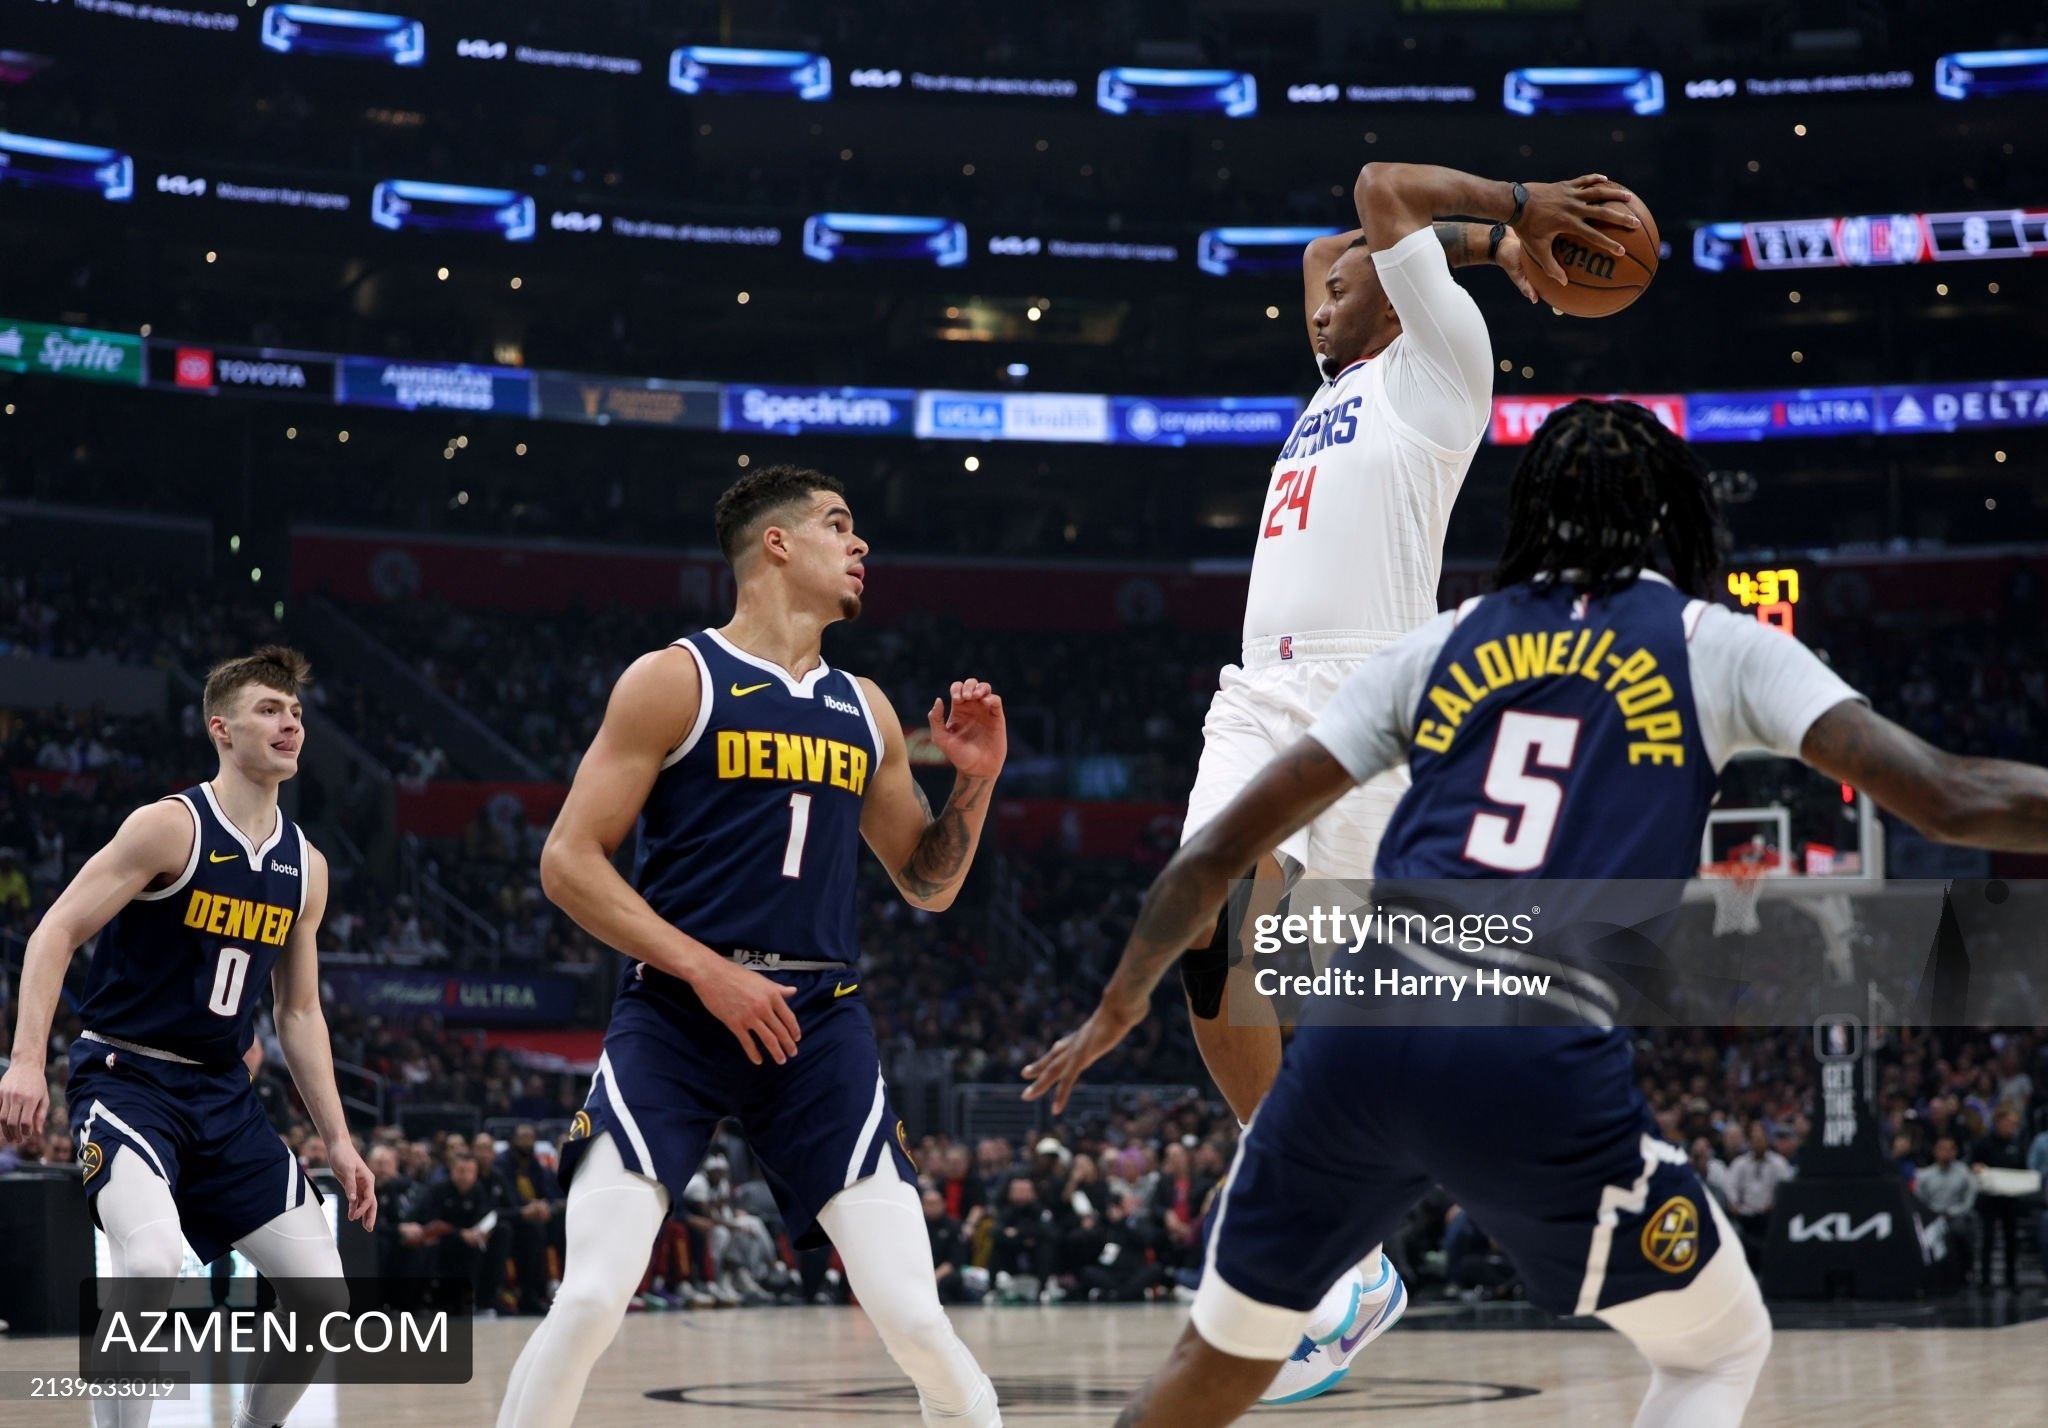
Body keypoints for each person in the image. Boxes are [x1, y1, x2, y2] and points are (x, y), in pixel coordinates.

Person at [1024, 398, 2048, 1428]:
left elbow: (1208, 858)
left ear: (1526, 516)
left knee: (1203, 1380)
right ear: (1668, 517)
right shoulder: (1715, 644)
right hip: (1526, 1037)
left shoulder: (1440, 642)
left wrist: (1121, 1003)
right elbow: (1952, 797)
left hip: (1353, 1041)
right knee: (1717, 1349)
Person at [1175, 157, 1640, 1403]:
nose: (1318, 297)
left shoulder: (1439, 365)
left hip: (1371, 697)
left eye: (1349, 285)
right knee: (1208, 936)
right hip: (1258, 694)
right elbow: (1327, 248)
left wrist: (1512, 210)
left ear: (1399, 284)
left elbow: (1380, 186)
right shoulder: (1338, 370)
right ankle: (1326, 1242)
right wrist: (1495, 241)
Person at [497, 466, 1006, 1428]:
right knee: (594, 1295)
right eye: (838, 525)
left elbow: (927, 884)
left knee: (915, 1318)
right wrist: (707, 970)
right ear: (777, 543)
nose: (860, 545)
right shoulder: (674, 678)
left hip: (819, 1025)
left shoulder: (866, 706)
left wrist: (975, 783)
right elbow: (566, 861)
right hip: (677, 1012)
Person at [0, 646, 375, 1428]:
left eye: (296, 712)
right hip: (127, 1077)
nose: (290, 723)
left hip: (223, 1097)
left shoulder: (307, 866)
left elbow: (299, 1013)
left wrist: (339, 1140)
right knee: (148, 1261)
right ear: (221, 729)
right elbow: (55, 931)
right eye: (269, 709)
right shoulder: (170, 826)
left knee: (323, 1299)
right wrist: (27, 1061)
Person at [1969, 1107, 2028, 1290]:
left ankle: (2011, 1279)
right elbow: (1972, 1164)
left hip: (2010, 1199)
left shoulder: (2017, 1144)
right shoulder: (1984, 1143)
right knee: (1988, 1240)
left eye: (2015, 1124)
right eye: (2009, 1123)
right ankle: (1985, 1281)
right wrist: (1976, 1167)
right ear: (1999, 1122)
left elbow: (2023, 1168)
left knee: (2011, 1240)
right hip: (1989, 1199)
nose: (2012, 1127)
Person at [1916, 1135, 1978, 1282]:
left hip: (1956, 1215)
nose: (1946, 1153)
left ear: (1955, 1152)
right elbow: (1918, 1200)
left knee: (1960, 1230)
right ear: (1935, 1151)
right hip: (1931, 1217)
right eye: (1942, 1149)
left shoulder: (1964, 1173)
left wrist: (1953, 1212)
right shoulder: (1924, 1175)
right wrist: (1931, 1214)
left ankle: (1964, 1272)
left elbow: (1969, 1201)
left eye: (1950, 1149)